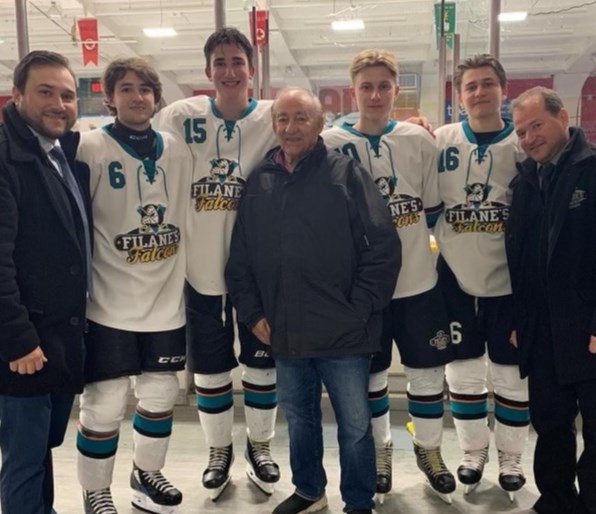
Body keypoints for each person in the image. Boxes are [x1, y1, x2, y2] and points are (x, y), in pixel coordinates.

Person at [226, 87, 400, 514]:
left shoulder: (346, 174)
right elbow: (241, 257)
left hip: (345, 332)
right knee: (300, 422)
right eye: (282, 119)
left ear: (320, 124)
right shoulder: (258, 182)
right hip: (285, 330)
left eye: (300, 118)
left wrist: (358, 308)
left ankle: (358, 502)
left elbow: (383, 247)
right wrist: (252, 315)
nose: (290, 127)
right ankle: (309, 491)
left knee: (355, 426)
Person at [322, 49, 456, 504]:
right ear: (353, 90)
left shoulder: (420, 142)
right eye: (366, 86)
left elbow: (432, 210)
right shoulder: (329, 143)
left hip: (419, 283)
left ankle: (429, 451)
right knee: (372, 379)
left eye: (383, 86)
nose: (375, 94)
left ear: (396, 90)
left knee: (426, 376)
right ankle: (381, 453)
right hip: (364, 292)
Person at [152, 27, 280, 500]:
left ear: (251, 69)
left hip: (258, 270)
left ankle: (261, 446)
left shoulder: (272, 115)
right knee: (209, 369)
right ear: (208, 72)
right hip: (197, 267)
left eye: (237, 61)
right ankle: (218, 450)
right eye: (220, 63)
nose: (229, 71)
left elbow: (318, 129)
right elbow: (140, 140)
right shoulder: (179, 115)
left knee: (263, 365)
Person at [75, 58, 191, 514]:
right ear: (109, 97)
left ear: (156, 96)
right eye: (126, 88)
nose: (137, 96)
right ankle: (95, 491)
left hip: (165, 302)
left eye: (145, 88)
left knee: (161, 394)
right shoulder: (89, 147)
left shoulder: (177, 148)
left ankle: (146, 476)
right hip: (107, 302)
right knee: (104, 403)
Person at [433, 54, 530, 500]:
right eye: (470, 85)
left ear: (502, 89)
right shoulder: (440, 139)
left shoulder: (523, 143)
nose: (479, 92)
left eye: (488, 84)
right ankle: (473, 453)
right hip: (455, 277)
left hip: (511, 281)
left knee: (512, 376)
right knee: (464, 374)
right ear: (460, 93)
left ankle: (512, 458)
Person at [0, 50, 91, 514]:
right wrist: (16, 338)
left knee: (40, 451)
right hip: (25, 346)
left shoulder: (56, 155)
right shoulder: (6, 159)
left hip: (55, 337)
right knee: (23, 459)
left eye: (68, 95)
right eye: (45, 92)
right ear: (16, 96)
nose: (59, 103)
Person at [507, 86, 596, 514]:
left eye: (536, 126)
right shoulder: (526, 180)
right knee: (551, 424)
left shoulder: (592, 170)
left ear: (563, 117)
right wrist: (519, 319)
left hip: (587, 327)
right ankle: (557, 502)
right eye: (521, 132)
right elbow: (520, 259)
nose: (529, 139)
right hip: (541, 329)